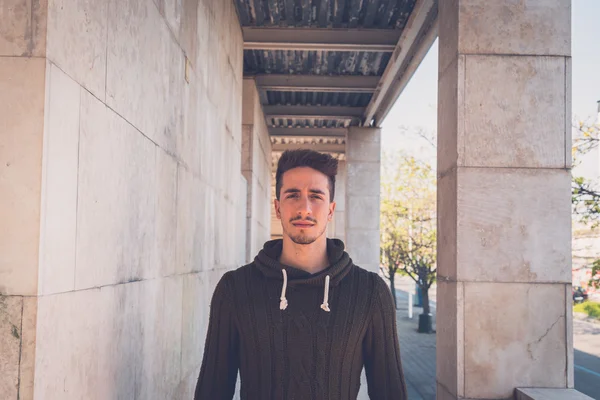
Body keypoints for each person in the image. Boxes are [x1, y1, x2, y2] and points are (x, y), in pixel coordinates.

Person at [194, 149, 406, 399]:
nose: (304, 208)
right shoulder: (235, 288)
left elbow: (391, 392)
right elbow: (212, 390)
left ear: (330, 209)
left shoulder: (370, 292)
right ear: (278, 207)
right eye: (293, 195)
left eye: (316, 196)